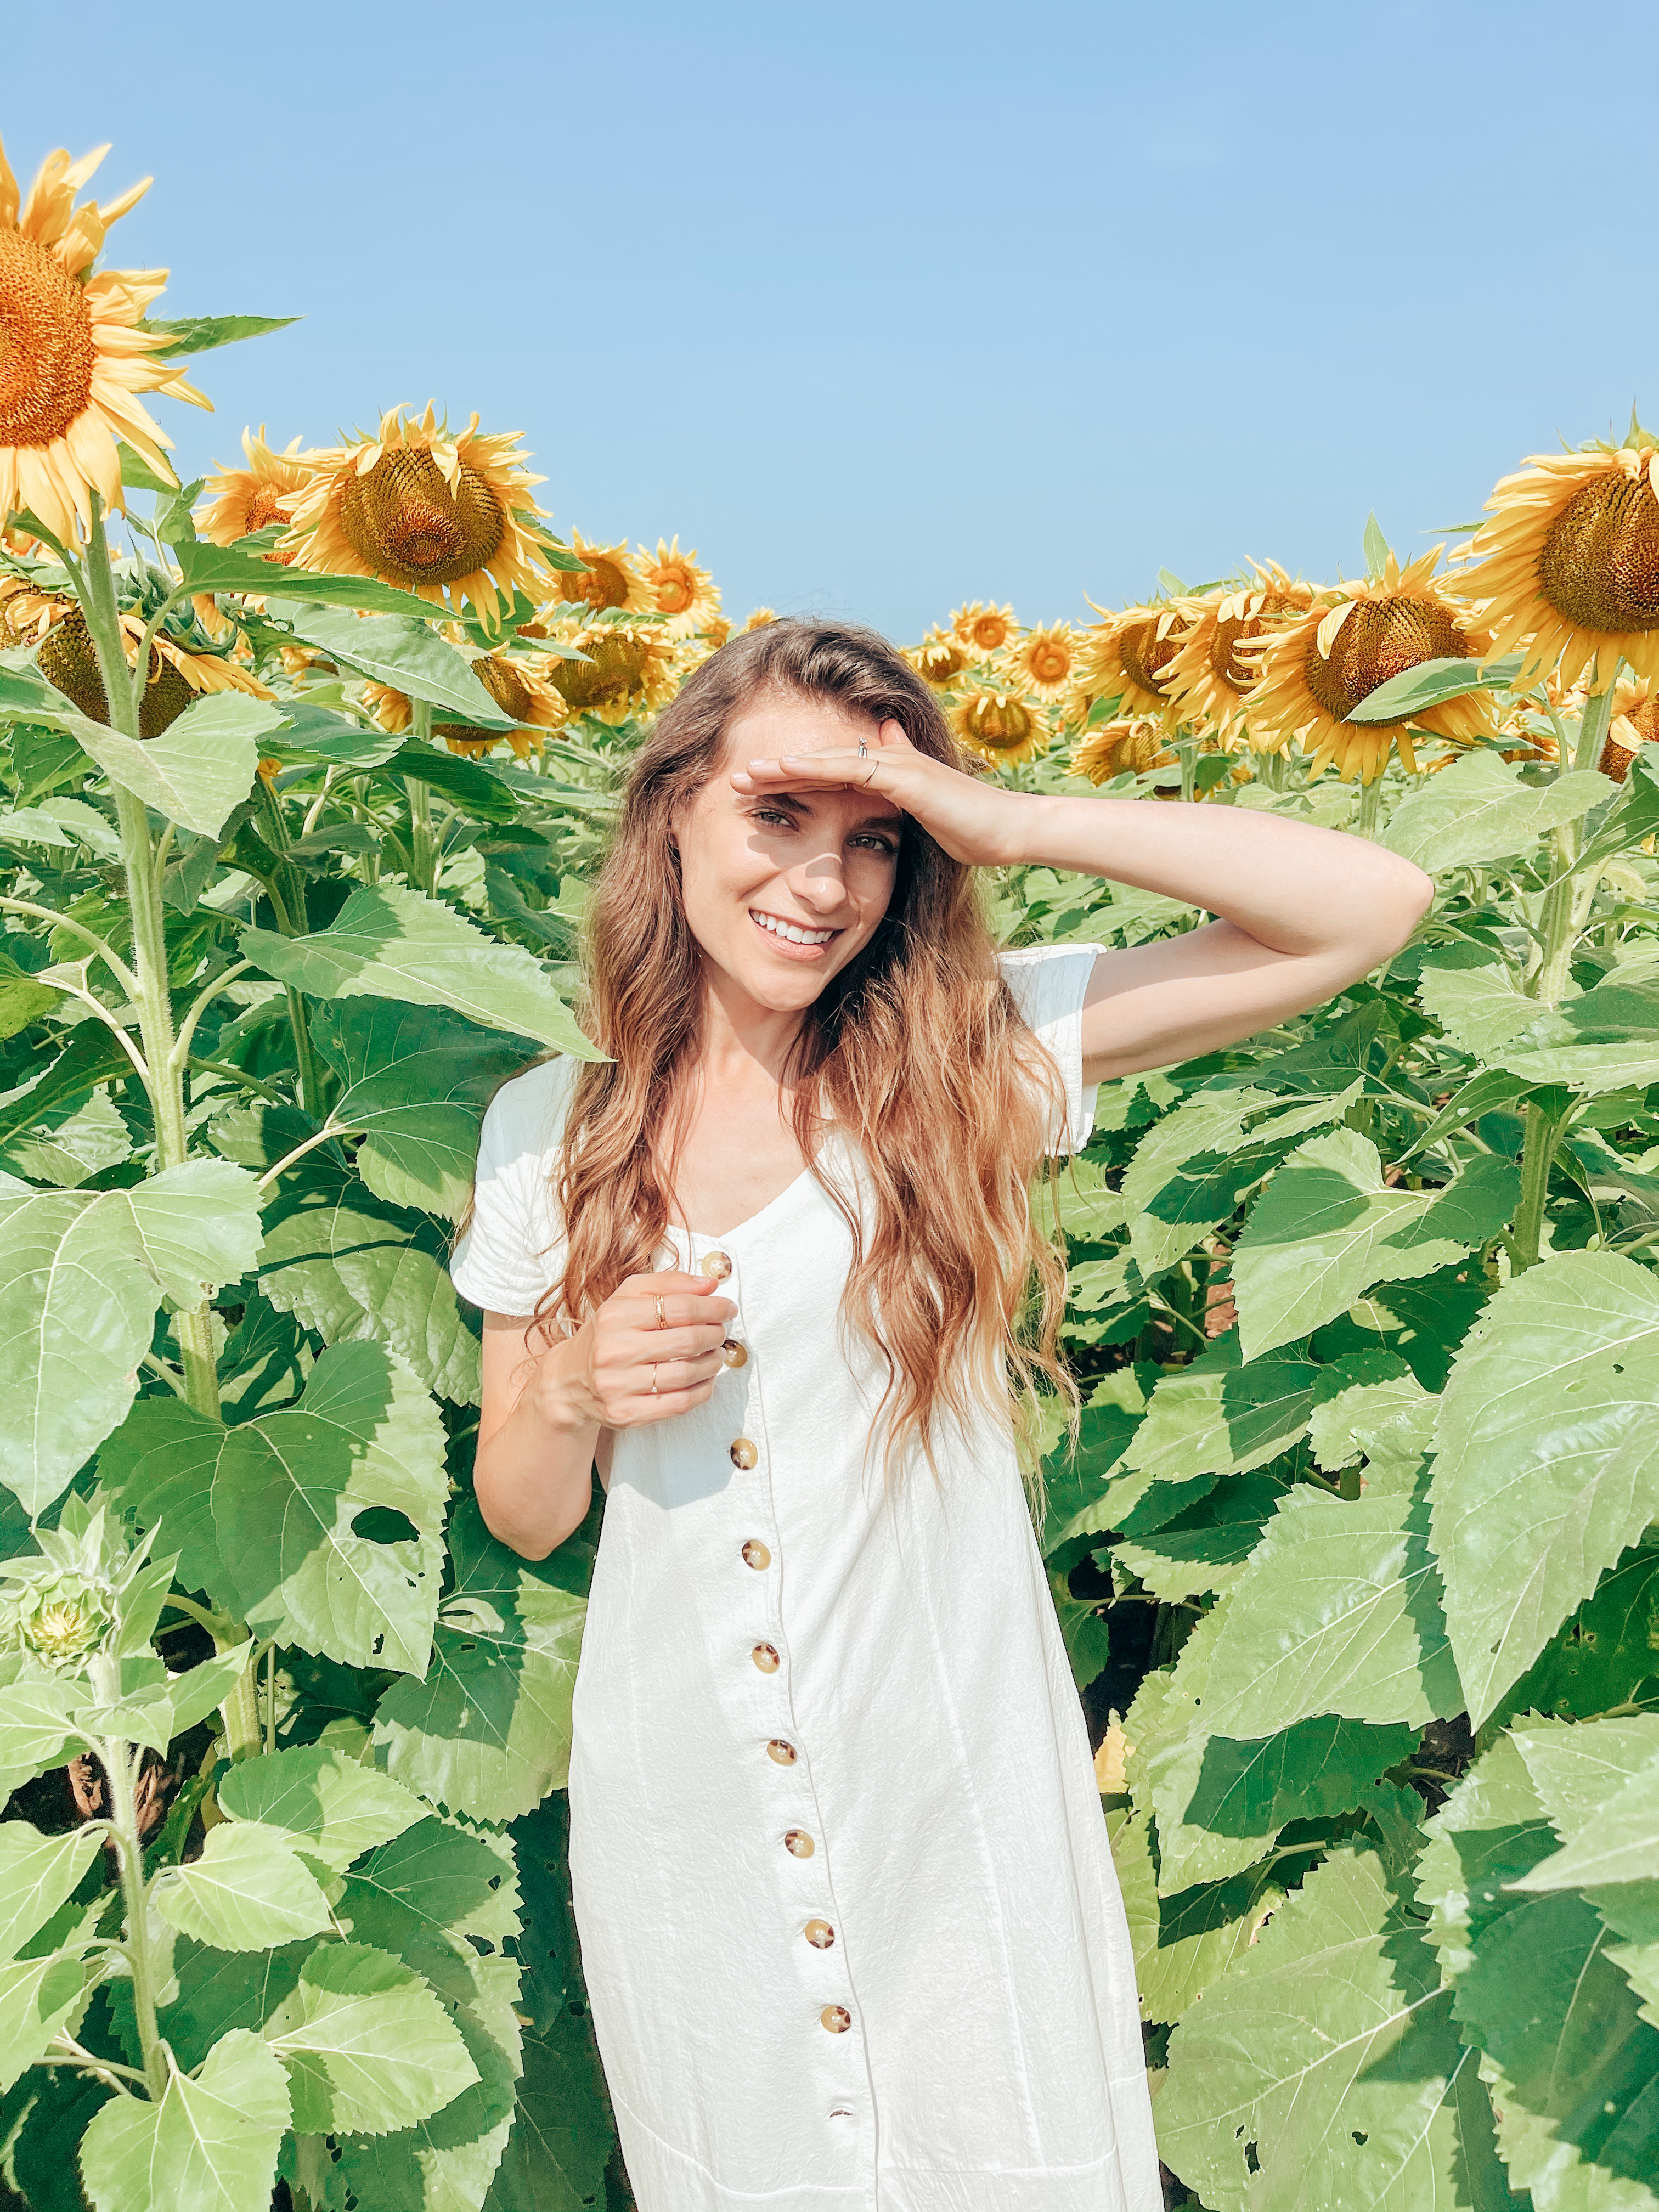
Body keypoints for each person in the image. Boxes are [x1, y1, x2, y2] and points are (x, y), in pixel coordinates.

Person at [450, 618, 1434, 2212]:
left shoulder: (962, 1061)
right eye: (779, 813)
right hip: (686, 1808)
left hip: (946, 1795)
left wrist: (1014, 819)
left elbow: (1370, 909)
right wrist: (567, 1386)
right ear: (676, 809)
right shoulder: (546, 1130)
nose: (825, 884)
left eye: (879, 841)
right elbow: (527, 1507)